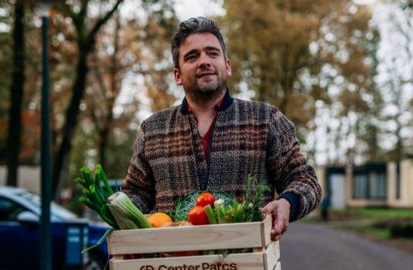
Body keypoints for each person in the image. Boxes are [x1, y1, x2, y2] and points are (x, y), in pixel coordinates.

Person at [121, 16, 321, 240]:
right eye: (192, 56)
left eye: (212, 53)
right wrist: (119, 212)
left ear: (227, 66)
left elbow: (305, 180)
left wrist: (287, 202)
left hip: (246, 266)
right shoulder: (153, 130)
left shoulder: (266, 120)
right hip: (172, 269)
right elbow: (135, 194)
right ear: (177, 75)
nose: (204, 61)